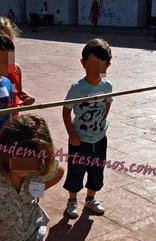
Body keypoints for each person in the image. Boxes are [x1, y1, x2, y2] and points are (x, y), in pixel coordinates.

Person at [62, 38, 113, 219]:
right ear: (83, 63)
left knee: (96, 170)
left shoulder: (107, 86)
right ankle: (72, 200)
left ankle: (90, 199)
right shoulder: (77, 88)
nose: (95, 69)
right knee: (76, 170)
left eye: (100, 64)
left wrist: (101, 123)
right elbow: (66, 111)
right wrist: (72, 134)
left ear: (107, 65)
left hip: (99, 138)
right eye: (91, 64)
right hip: (79, 139)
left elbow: (108, 104)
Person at [0, 17, 35, 113]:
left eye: (9, 40)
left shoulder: (15, 68)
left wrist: (27, 97)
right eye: (1, 39)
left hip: (12, 123)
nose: (7, 45)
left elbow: (16, 90)